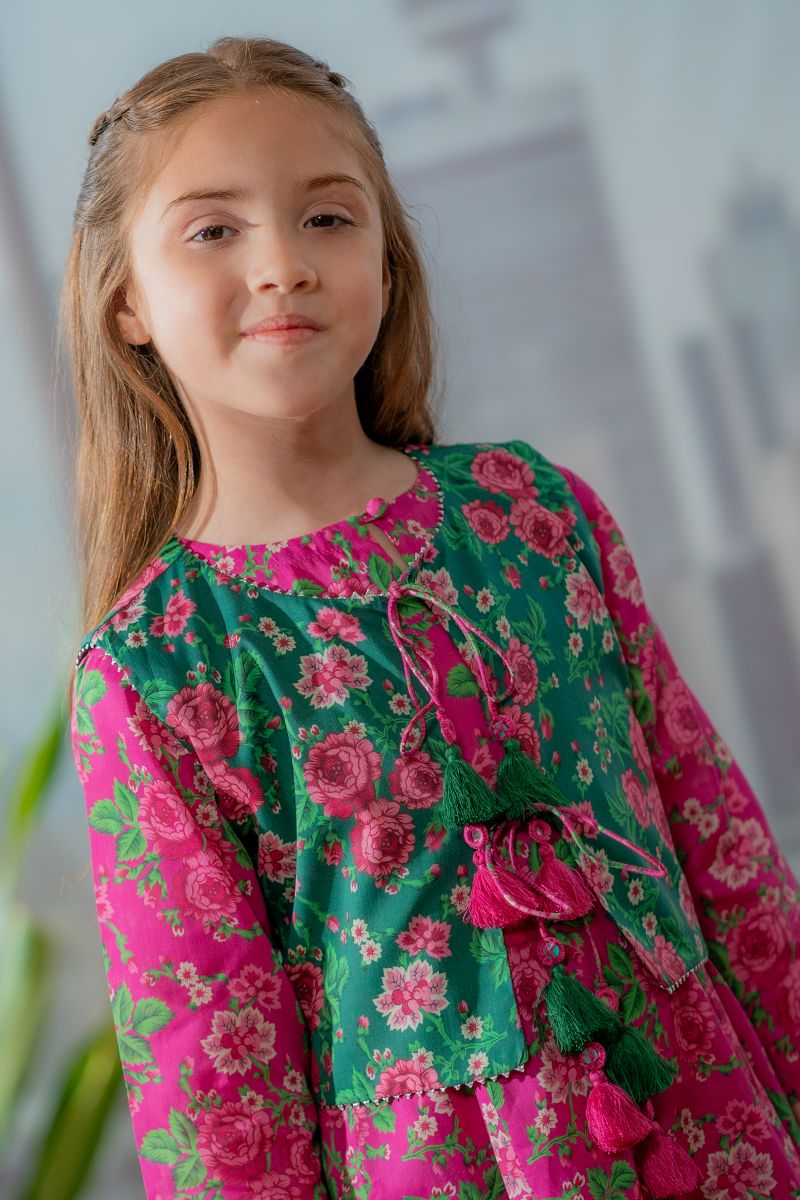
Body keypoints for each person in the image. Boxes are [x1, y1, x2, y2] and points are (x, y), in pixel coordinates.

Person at [63, 34, 800, 1200]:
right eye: (213, 230)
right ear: (126, 305)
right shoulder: (155, 665)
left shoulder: (535, 513)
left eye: (327, 217)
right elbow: (214, 1079)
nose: (282, 264)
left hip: (713, 1134)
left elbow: (719, 842)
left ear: (388, 260)